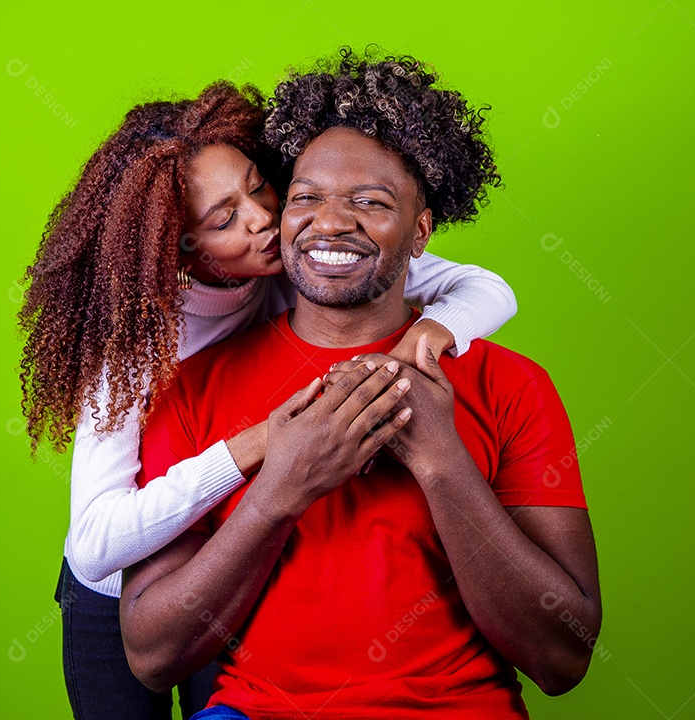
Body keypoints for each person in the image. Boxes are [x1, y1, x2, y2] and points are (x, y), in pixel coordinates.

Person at [120, 49, 601, 719]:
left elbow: (562, 657)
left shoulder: (509, 385)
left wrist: (440, 460)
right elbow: (152, 656)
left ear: (421, 231)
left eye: (370, 202)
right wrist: (281, 490)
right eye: (305, 198)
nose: (331, 222)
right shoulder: (194, 387)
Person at [17, 78, 519, 718]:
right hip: (116, 592)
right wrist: (259, 446)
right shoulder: (133, 346)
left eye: (259, 187)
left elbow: (485, 286)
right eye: (224, 219)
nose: (260, 218)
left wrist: (418, 342)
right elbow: (95, 541)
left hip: (219, 560)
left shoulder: (303, 261)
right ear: (178, 247)